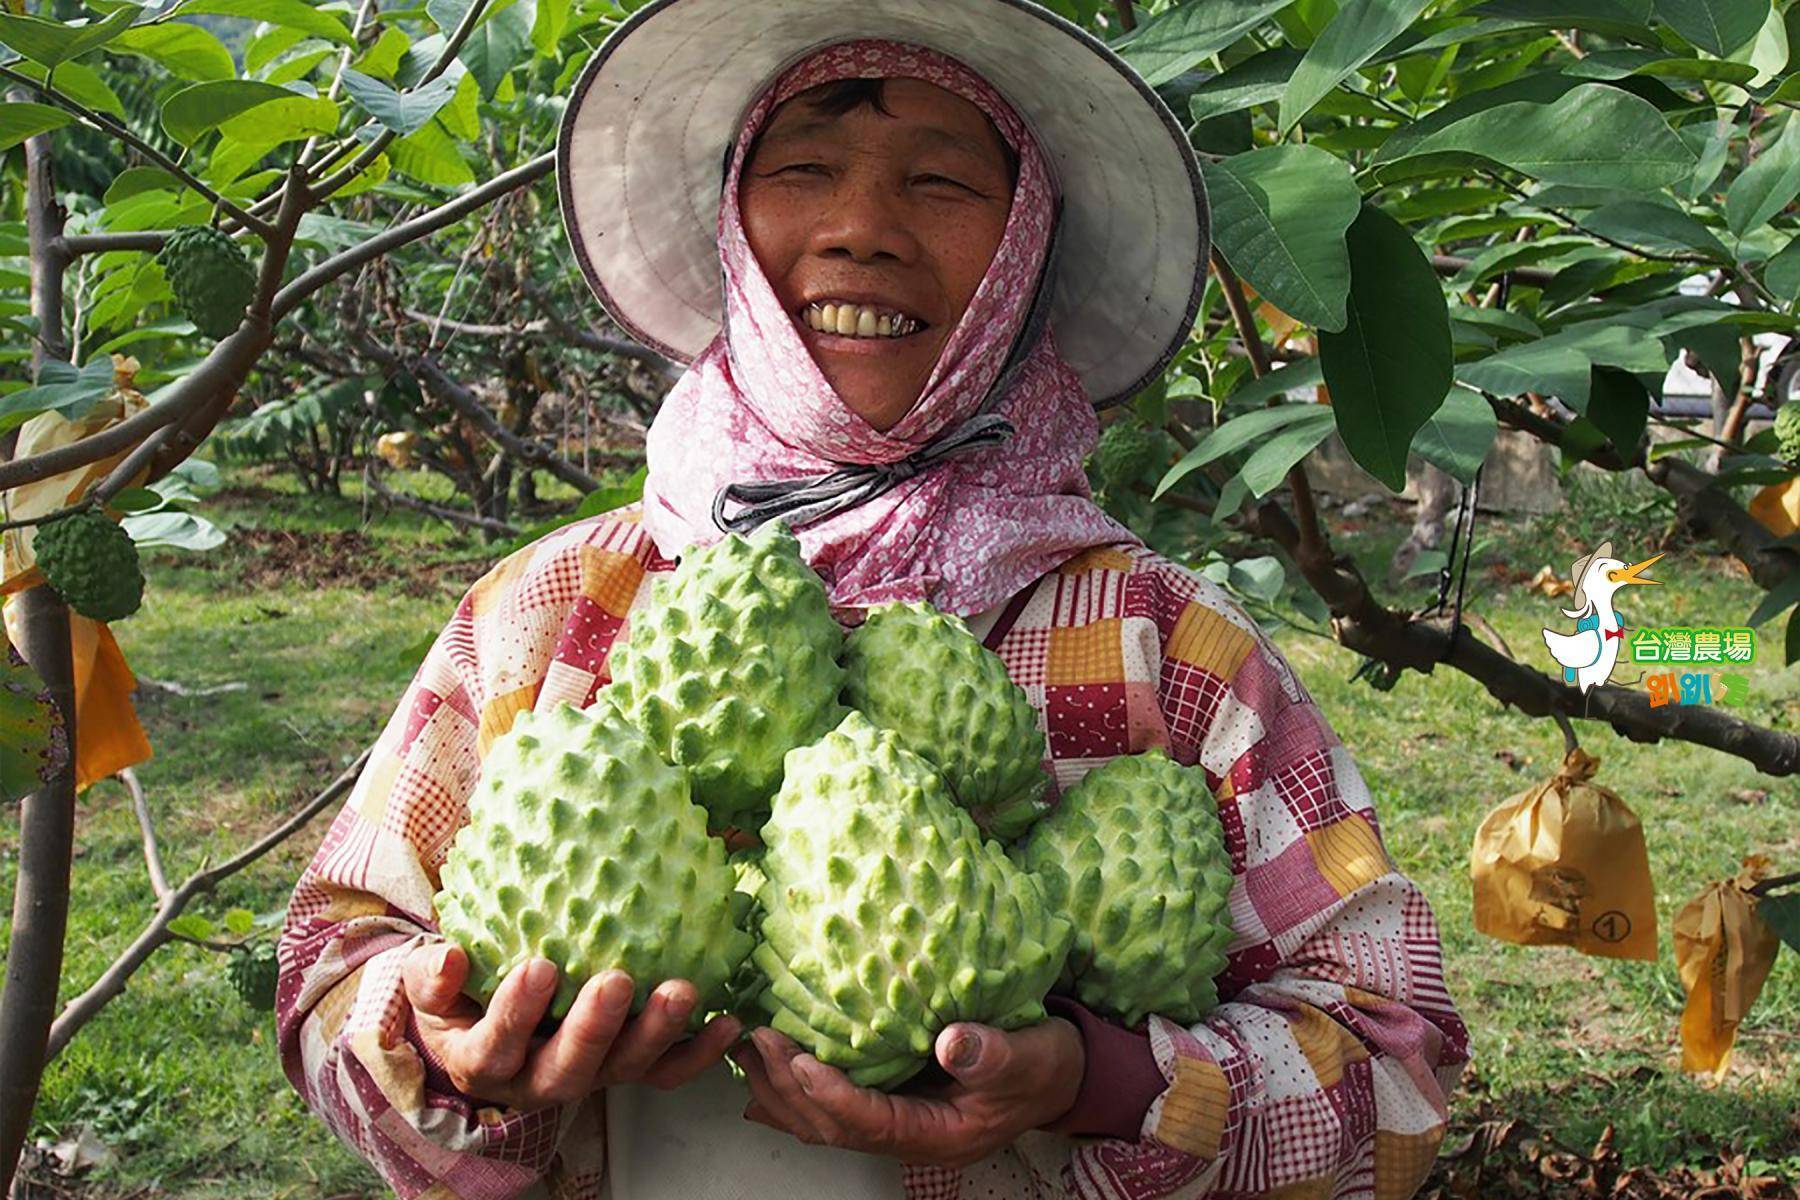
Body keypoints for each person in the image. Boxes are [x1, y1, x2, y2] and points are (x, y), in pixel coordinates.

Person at [277, 2, 1471, 1197]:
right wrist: (441, 1044)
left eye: (942, 183)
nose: (862, 230)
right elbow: (331, 957)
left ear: (1023, 251)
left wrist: (1093, 1080)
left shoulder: (1168, 649)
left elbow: (1399, 1071)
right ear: (735, 223)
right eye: (804, 170)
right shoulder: (548, 611)